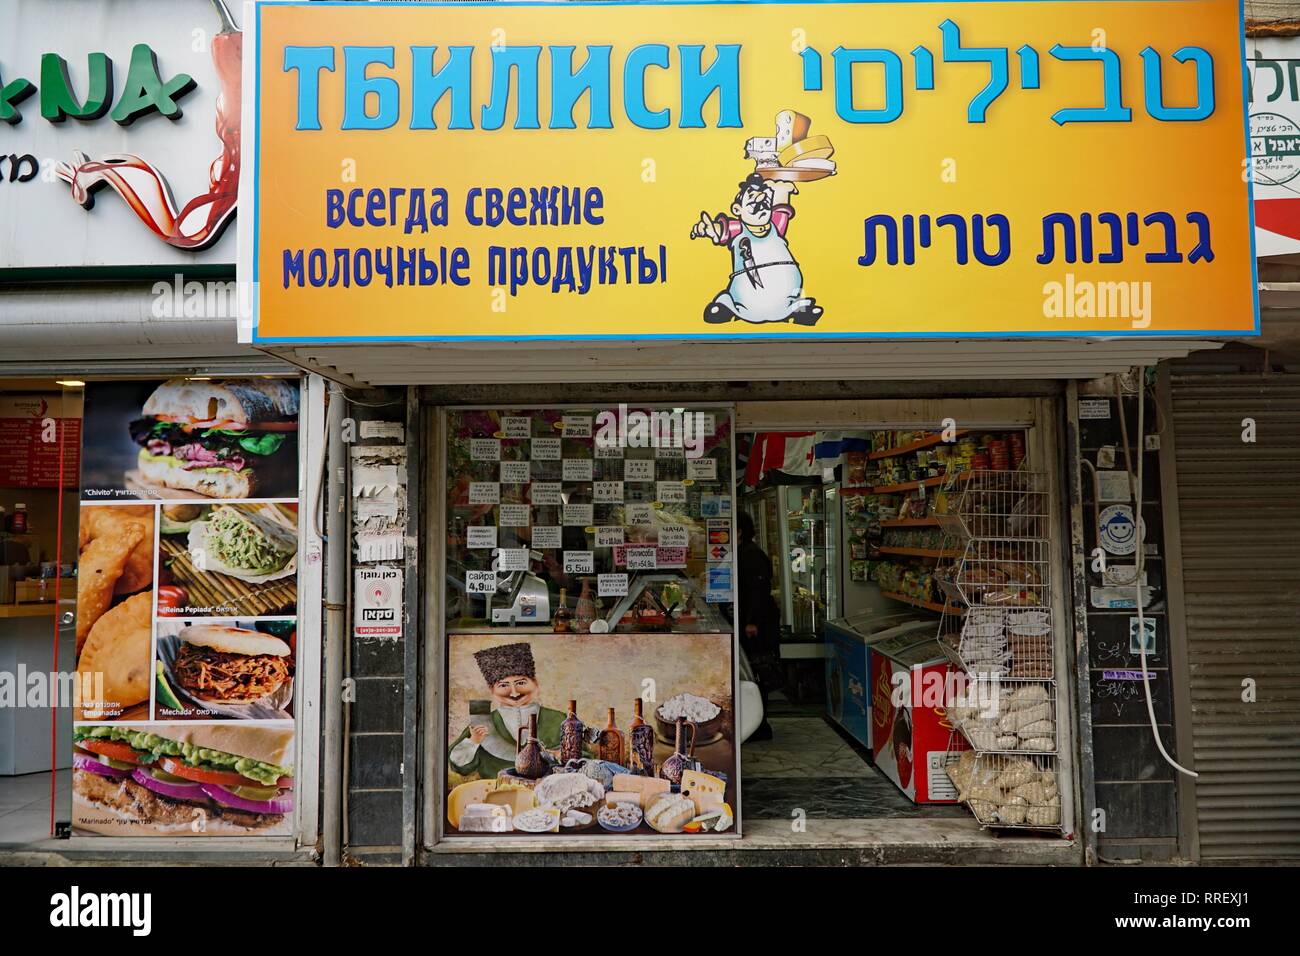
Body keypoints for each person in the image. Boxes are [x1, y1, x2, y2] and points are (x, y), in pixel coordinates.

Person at [690, 172, 823, 326]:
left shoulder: (775, 226)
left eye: (766, 203)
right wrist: (709, 229)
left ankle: (797, 312)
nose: (762, 207)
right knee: (732, 303)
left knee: (793, 303)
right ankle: (727, 308)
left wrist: (782, 190)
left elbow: (781, 209)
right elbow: (721, 230)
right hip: (747, 300)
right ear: (737, 210)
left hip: (785, 297)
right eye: (754, 205)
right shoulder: (739, 229)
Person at [448, 641, 566, 779]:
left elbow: (584, 758)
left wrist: (561, 756)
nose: (514, 693)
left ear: (535, 683)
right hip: (497, 792)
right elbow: (460, 767)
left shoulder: (559, 719)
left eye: (521, 683)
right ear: (492, 690)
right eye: (504, 685)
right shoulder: (483, 722)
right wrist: (474, 741)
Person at [736, 510, 780, 740]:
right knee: (753, 672)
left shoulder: (750, 555)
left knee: (757, 673)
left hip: (757, 625)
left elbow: (758, 591)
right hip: (752, 621)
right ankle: (757, 723)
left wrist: (751, 621)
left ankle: (760, 725)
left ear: (740, 531)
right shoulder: (743, 552)